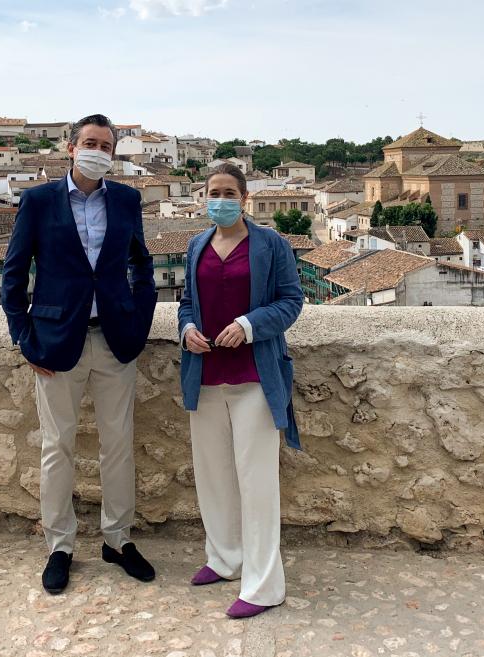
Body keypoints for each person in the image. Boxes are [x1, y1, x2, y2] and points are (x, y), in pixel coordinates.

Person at [1, 114, 158, 595]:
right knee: (57, 447)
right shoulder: (38, 201)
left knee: (118, 443)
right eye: (90, 142)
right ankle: (60, 546)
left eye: (106, 145)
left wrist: (139, 321)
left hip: (114, 339)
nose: (98, 150)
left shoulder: (128, 200)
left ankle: (117, 539)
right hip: (55, 340)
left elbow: (142, 265)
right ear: (71, 148)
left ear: (114, 153)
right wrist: (23, 339)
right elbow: (12, 274)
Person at [178, 163, 303, 619]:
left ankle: (265, 585)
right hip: (205, 375)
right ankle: (225, 558)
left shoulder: (272, 245)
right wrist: (187, 327)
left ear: (245, 198)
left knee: (257, 482)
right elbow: (187, 302)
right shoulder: (195, 245)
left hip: (255, 376)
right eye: (214, 192)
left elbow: (292, 302)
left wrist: (249, 326)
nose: (221, 199)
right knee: (212, 475)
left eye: (230, 192)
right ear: (203, 197)